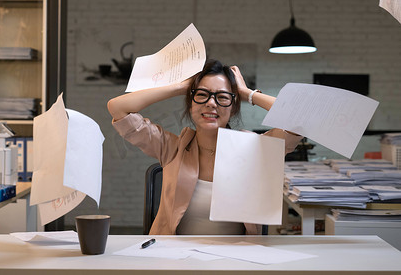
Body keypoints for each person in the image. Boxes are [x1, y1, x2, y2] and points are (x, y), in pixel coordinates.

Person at [107, 59, 302, 235]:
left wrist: (247, 93)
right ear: (191, 103)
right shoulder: (172, 148)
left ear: (234, 106)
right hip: (174, 258)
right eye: (202, 94)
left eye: (222, 97)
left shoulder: (254, 149)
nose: (211, 103)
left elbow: (299, 119)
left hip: (236, 259)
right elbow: (117, 108)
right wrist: (181, 86)